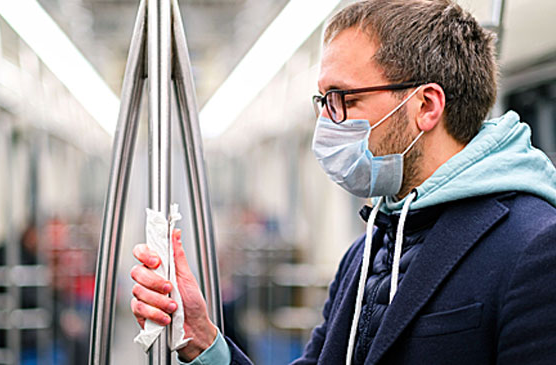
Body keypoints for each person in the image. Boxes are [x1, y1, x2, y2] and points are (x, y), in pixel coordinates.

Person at [130, 0, 556, 364]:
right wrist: (203, 337)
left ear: (425, 105)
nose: (326, 123)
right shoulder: (367, 249)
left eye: (344, 99)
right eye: (323, 101)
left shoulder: (535, 246)